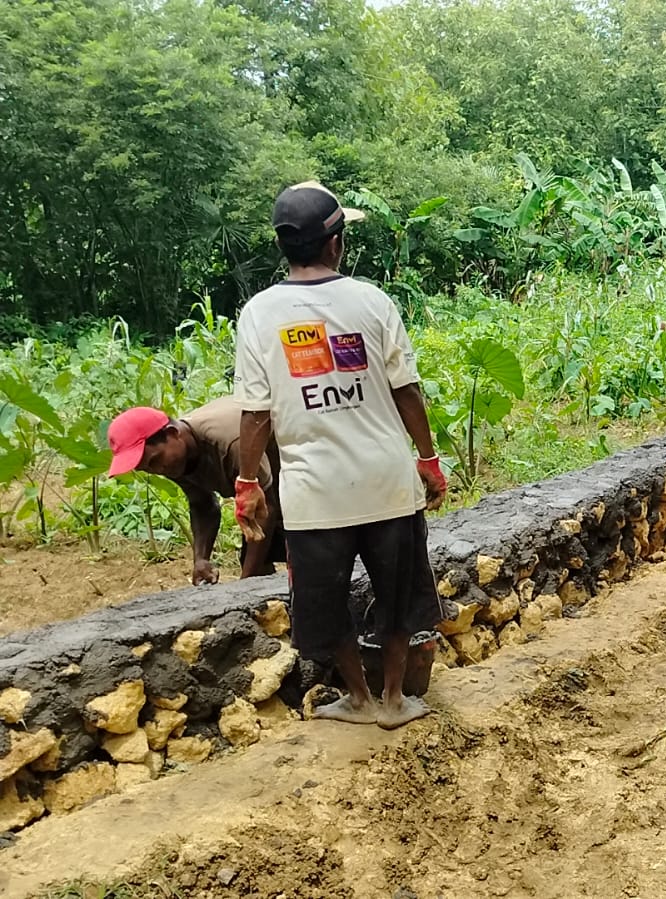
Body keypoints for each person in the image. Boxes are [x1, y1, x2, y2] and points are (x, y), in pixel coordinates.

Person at [232, 181, 449, 729]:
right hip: (388, 484)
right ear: (335, 244)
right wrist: (427, 459)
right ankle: (395, 699)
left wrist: (246, 484)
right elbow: (407, 390)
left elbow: (255, 413)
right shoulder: (372, 301)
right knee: (398, 595)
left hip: (312, 498)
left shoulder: (259, 315)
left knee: (323, 606)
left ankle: (357, 697)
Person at [107, 398, 286, 585]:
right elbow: (202, 505)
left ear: (173, 433)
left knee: (301, 553)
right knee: (258, 559)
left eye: (154, 461)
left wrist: (244, 584)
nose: (157, 470)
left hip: (302, 474)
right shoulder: (174, 458)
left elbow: (265, 510)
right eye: (146, 469)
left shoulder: (229, 442)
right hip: (272, 487)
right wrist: (201, 559)